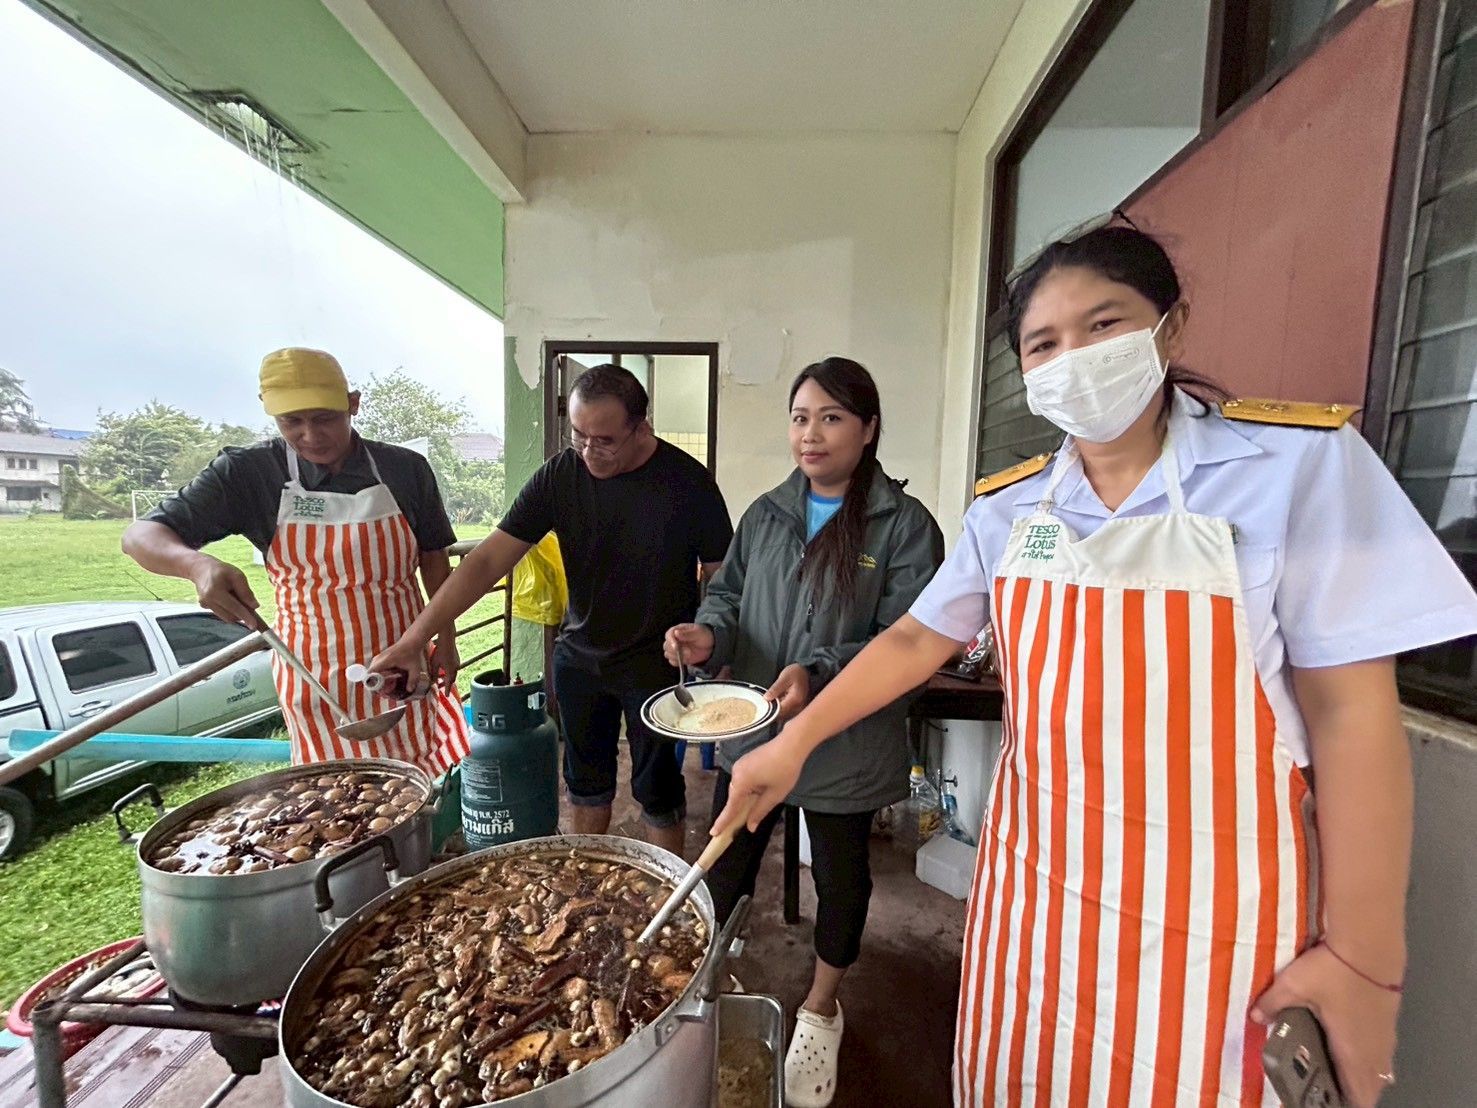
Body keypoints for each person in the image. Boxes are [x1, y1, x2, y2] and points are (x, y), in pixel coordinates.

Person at [714, 226, 1477, 1108]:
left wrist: (1362, 961)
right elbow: (915, 641)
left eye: (1103, 326)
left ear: (1171, 327)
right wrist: (791, 744)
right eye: (1044, 343)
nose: (1074, 357)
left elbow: (1352, 722)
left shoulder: (1293, 468)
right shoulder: (1010, 510)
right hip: (1034, 898)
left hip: (1212, 927)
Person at [665, 357, 942, 1107]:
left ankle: (820, 1007)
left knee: (842, 876)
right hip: (756, 731)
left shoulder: (904, 526)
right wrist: (705, 637)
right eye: (798, 417)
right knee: (726, 862)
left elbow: (908, 635)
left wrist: (818, 669)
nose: (809, 434)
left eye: (829, 418)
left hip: (846, 739)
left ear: (868, 429)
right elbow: (727, 599)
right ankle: (712, 990)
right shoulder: (765, 514)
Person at [371, 364, 732, 854]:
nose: (588, 451)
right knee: (585, 785)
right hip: (580, 658)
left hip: (658, 664)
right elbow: (487, 560)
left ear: (641, 428)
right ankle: (583, 890)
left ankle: (668, 899)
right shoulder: (560, 476)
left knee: (659, 792)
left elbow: (724, 577)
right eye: (578, 435)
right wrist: (416, 638)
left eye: (604, 439)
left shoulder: (688, 483)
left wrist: (713, 641)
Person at [122, 347, 470, 774]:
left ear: (352, 404)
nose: (310, 435)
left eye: (324, 418)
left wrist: (445, 641)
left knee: (417, 778)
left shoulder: (405, 469)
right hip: (312, 675)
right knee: (331, 794)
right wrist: (197, 566)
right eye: (292, 422)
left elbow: (434, 562)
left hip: (403, 660)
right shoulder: (248, 472)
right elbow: (140, 535)